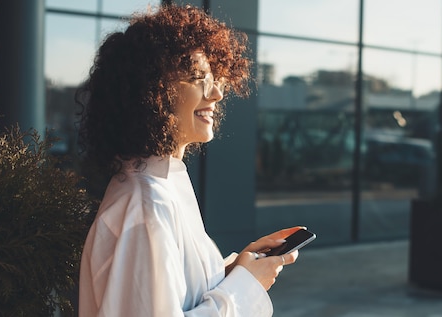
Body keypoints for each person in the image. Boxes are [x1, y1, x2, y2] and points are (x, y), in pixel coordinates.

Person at [76, 4, 301, 316]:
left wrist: (235, 270)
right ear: (150, 90)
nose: (216, 94)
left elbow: (176, 296)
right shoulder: (145, 206)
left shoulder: (160, 188)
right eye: (197, 77)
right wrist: (245, 286)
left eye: (214, 78)